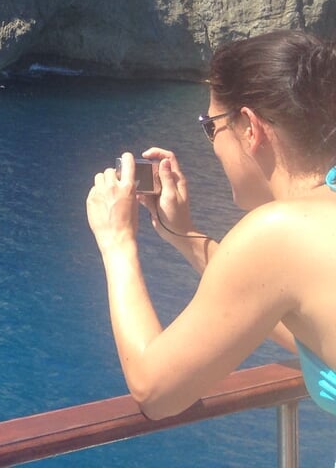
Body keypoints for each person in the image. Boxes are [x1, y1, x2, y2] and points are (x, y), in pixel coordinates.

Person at [86, 30, 336, 419]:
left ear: (250, 128)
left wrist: (117, 242)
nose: (212, 143)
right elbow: (310, 328)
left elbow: (156, 392)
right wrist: (185, 236)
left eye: (210, 126)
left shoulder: (279, 231)